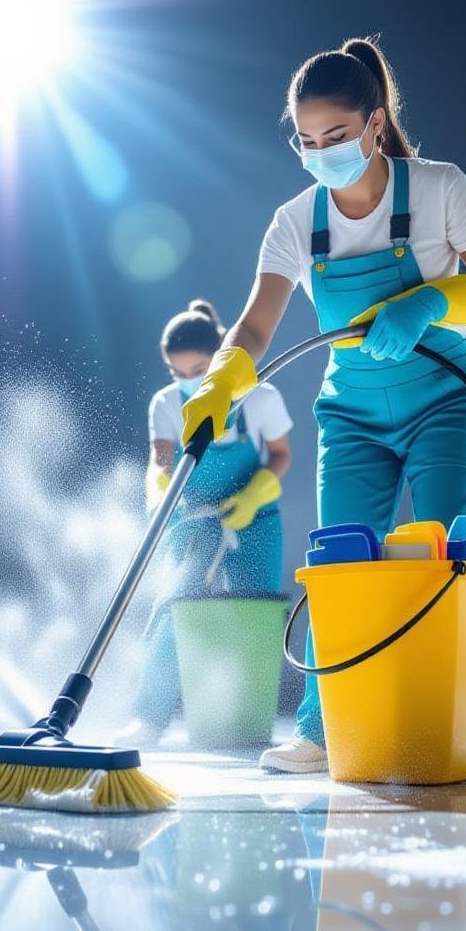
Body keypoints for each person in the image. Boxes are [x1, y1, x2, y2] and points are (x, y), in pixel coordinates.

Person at [179, 37, 466, 778]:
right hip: (354, 413)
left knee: (459, 554)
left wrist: (433, 298)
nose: (321, 151)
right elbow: (256, 327)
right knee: (341, 560)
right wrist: (219, 384)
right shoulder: (296, 221)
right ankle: (325, 729)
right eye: (306, 140)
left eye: (335, 136)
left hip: (446, 402)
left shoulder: (438, 187)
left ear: (373, 124)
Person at [115, 299, 293, 747]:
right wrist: (158, 493)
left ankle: (245, 718)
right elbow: (160, 461)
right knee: (176, 609)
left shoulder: (261, 397)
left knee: (254, 611)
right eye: (178, 373)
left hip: (254, 516)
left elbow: (281, 455)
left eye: (199, 369)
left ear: (220, 357)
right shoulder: (165, 405)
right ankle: (149, 719)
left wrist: (254, 495)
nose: (189, 381)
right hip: (191, 518)